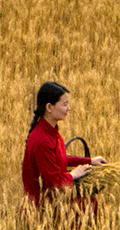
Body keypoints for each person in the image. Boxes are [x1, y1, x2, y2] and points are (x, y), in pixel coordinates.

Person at [21, 80, 101, 214]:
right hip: (44, 209)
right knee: (93, 207)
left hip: (55, 201)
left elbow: (60, 160)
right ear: (49, 107)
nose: (68, 108)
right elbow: (53, 183)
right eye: (65, 104)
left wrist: (90, 161)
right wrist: (73, 175)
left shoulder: (50, 131)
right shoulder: (42, 140)